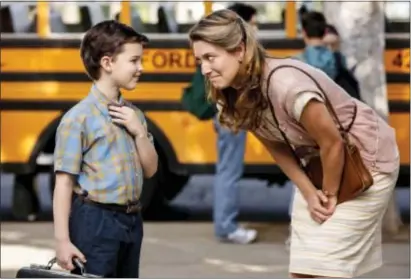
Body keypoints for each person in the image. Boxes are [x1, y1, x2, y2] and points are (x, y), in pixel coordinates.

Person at [189, 9, 399, 278]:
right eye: (199, 60)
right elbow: (276, 146)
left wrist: (330, 194)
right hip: (319, 165)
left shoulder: (288, 85)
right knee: (303, 271)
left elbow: (332, 142)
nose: (204, 69)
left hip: (366, 161)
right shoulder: (229, 93)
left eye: (210, 57)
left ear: (239, 50)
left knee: (327, 270)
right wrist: (310, 193)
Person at [53, 20, 158, 278]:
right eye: (134, 61)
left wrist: (139, 132)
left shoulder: (134, 115)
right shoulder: (78, 119)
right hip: (95, 221)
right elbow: (64, 184)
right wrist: (62, 242)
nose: (140, 68)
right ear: (108, 63)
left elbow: (151, 170)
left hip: (132, 220)